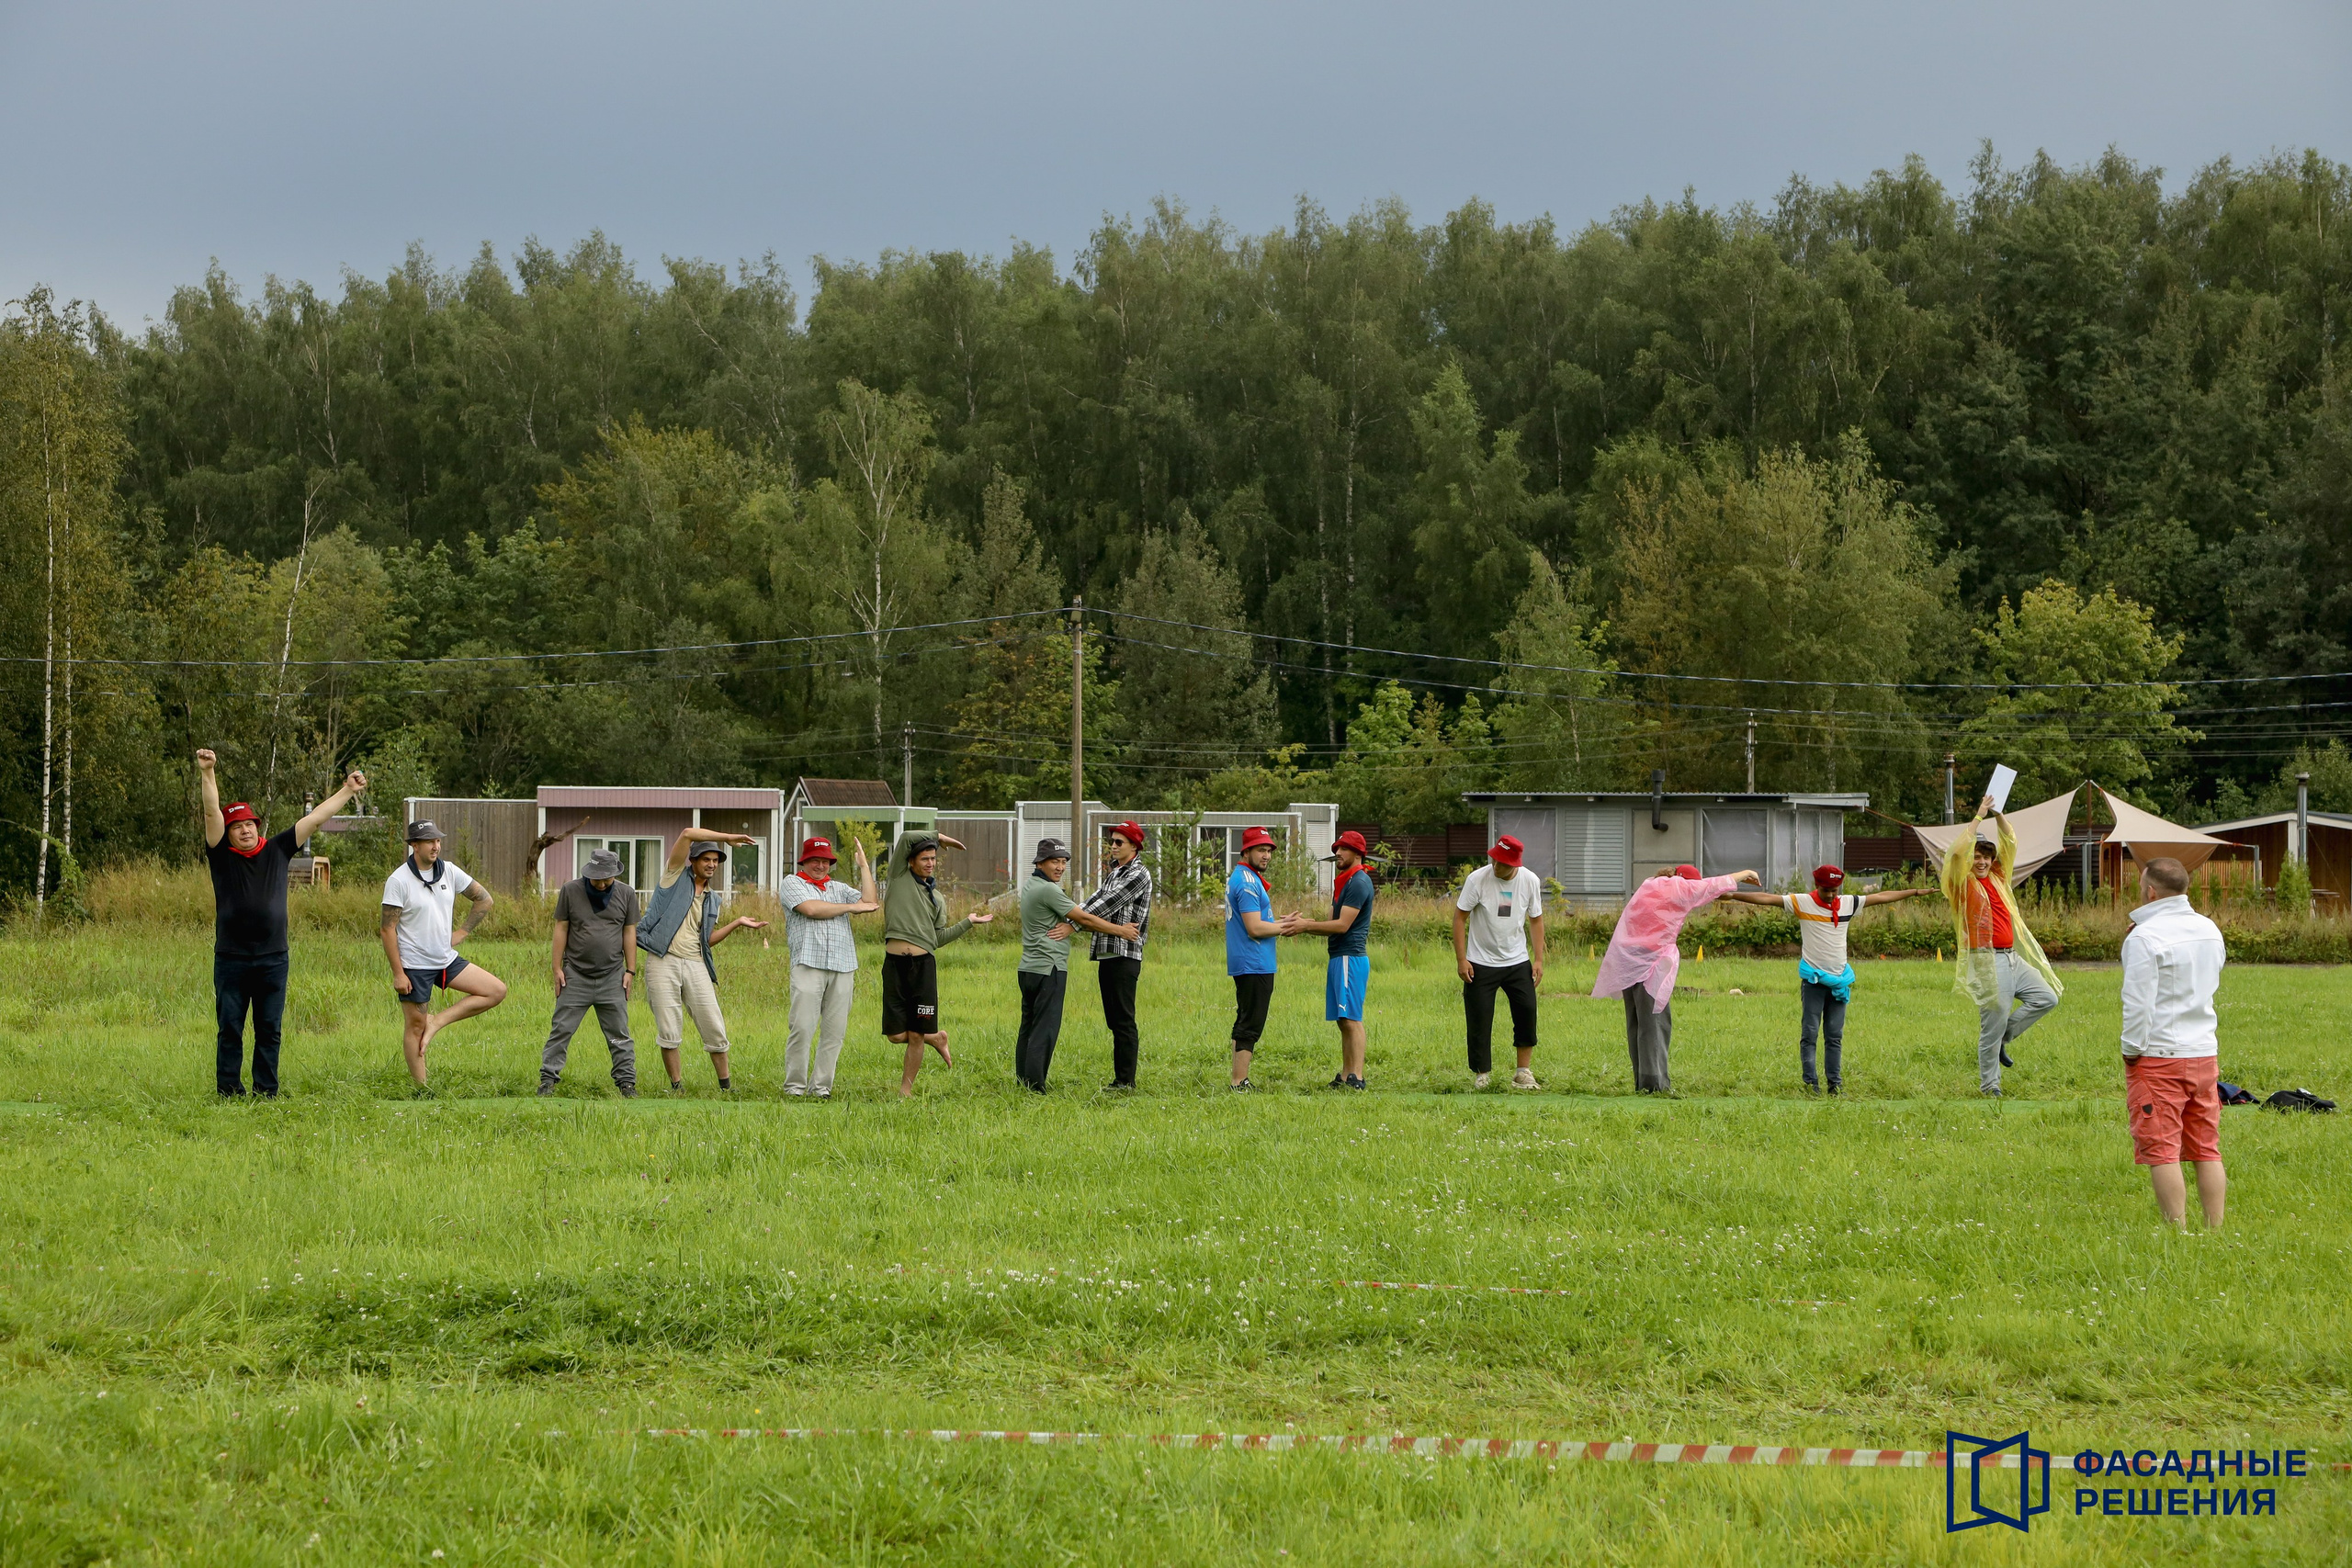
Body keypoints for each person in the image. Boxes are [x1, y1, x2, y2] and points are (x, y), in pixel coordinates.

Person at [197, 749, 366, 1097]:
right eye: (237, 827)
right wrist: (208, 772)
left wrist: (348, 790)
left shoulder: (277, 849)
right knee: (229, 1027)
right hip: (231, 958)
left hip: (274, 958)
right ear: (227, 834)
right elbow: (211, 811)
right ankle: (228, 1091)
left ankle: (266, 1091)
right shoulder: (220, 856)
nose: (244, 830)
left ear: (257, 826)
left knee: (269, 1028)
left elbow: (316, 818)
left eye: (249, 824)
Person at [1726, 864, 1933, 1094]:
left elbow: (1882, 897)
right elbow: (1766, 899)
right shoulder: (1802, 902)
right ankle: (1811, 1084)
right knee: (1810, 1033)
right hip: (1814, 982)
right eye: (1827, 890)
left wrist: (1914, 892)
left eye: (1835, 890)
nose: (1832, 895)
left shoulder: (1848, 903)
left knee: (1834, 1036)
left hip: (1839, 982)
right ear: (1817, 886)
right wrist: (1731, 894)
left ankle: (1835, 1085)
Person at [2119, 856, 2226, 1230]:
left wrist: (2131, 1050)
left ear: (2150, 891)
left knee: (2162, 1149)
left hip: (2159, 1055)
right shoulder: (2210, 929)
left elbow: (2137, 1004)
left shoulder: (2145, 937)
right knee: (2206, 1148)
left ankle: (2177, 1233)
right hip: (2204, 1052)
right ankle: (2216, 1229)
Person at [1591, 863, 1758, 1094]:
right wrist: (1745, 873)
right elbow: (1711, 885)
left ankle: (1642, 1083)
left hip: (1628, 961)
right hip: (1650, 963)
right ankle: (1655, 1085)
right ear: (1687, 882)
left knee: (1637, 1023)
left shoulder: (1651, 885)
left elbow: (1708, 890)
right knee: (1656, 1022)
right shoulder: (1680, 888)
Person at [1940, 795, 2063, 1097]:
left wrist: (1998, 814)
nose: (1981, 862)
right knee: (1993, 1018)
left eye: (1986, 857)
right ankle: (1990, 1087)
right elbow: (1956, 854)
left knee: (2047, 997)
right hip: (1985, 959)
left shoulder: (1997, 878)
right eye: (1977, 857)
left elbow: (2010, 840)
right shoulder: (1962, 882)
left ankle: (2003, 1039)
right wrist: (1980, 815)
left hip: (2012, 959)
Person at [381, 819, 507, 1093]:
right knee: (415, 1027)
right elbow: (387, 929)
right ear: (414, 845)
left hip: (446, 959)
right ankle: (422, 1091)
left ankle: (437, 1021)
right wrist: (398, 973)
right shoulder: (399, 880)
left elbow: (485, 899)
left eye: (438, 840)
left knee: (496, 991)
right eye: (429, 841)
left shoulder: (449, 871)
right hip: (414, 965)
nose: (436, 846)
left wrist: (462, 931)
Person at [637, 829, 767, 1093]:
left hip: (695, 963)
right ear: (693, 861)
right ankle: (676, 1087)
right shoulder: (672, 877)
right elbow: (685, 833)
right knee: (669, 1027)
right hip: (663, 960)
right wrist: (728, 838)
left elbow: (706, 940)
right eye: (706, 859)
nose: (711, 864)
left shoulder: (713, 899)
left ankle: (726, 1088)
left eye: (715, 860)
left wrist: (737, 923)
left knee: (713, 1024)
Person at [1014, 837, 1140, 1092]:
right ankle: (1035, 1086)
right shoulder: (1048, 890)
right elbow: (1085, 918)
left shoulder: (1030, 885)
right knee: (1045, 1029)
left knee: (1028, 1025)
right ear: (1040, 862)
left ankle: (1024, 1080)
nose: (1060, 867)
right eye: (1054, 862)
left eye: (1063, 862)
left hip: (1028, 968)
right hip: (1049, 967)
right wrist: (1121, 931)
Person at [881, 830, 994, 1097]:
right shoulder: (898, 877)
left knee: (916, 1034)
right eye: (925, 858)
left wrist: (968, 923)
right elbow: (908, 835)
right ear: (910, 861)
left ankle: (905, 1091)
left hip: (923, 968)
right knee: (896, 1035)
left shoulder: (938, 898)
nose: (930, 863)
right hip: (894, 965)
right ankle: (936, 1037)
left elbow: (938, 938)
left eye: (933, 858)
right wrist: (942, 838)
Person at [779, 836, 879, 1100]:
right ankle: (794, 1087)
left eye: (825, 861)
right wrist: (851, 908)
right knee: (802, 1027)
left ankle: (821, 1088)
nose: (821, 866)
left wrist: (864, 867)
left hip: (843, 965)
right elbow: (811, 909)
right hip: (808, 964)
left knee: (834, 1032)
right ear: (805, 861)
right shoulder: (793, 883)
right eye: (815, 860)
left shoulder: (838, 887)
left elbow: (870, 902)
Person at [540, 847, 640, 1098]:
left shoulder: (627, 894)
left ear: (615, 874)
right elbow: (561, 928)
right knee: (561, 1030)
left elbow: (629, 932)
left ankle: (626, 1084)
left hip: (613, 976)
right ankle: (547, 1081)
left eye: (607, 878)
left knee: (619, 1033)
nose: (602, 882)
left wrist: (630, 970)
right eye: (597, 877)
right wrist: (557, 968)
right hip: (575, 974)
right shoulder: (570, 891)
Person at [1453, 834, 1546, 1091]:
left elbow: (1536, 920)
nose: (1496, 866)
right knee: (1479, 1018)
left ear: (1515, 864)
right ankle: (1482, 1074)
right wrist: (1462, 959)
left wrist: (1538, 959)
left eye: (1503, 863)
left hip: (1517, 961)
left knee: (1527, 1012)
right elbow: (1459, 918)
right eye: (1494, 860)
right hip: (1480, 962)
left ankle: (1522, 1073)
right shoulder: (1477, 880)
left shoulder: (1530, 881)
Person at [1287, 829, 1377, 1090]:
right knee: (1343, 1019)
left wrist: (1304, 927)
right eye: (1337, 848)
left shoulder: (1359, 882)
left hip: (1350, 956)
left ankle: (1357, 1078)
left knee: (1351, 1018)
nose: (1337, 853)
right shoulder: (1344, 882)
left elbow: (1342, 926)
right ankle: (1346, 1074)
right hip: (1339, 957)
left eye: (1343, 848)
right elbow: (1329, 922)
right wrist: (1300, 923)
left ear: (1358, 853)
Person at [1079, 821, 1155, 1090]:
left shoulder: (1139, 874)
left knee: (1123, 1019)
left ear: (1134, 846)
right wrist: (1067, 912)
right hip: (1107, 953)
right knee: (1113, 1019)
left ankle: (1126, 1081)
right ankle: (1120, 1078)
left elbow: (1106, 904)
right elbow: (1092, 900)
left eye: (1119, 842)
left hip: (1125, 956)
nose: (1113, 846)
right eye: (1111, 841)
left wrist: (1072, 922)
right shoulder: (1115, 873)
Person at [1224, 826, 1302, 1091]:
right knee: (1251, 1022)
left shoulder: (1246, 876)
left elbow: (1259, 920)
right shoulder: (1246, 882)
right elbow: (1254, 928)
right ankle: (1239, 1081)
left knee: (1244, 1017)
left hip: (1249, 960)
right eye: (1260, 849)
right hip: (1254, 961)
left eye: (1269, 850)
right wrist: (1288, 928)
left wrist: (1280, 921)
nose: (1266, 855)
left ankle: (1237, 1078)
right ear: (1246, 851)